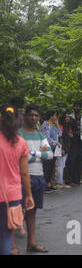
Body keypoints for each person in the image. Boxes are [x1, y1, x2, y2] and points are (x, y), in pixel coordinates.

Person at [18, 103, 53, 253]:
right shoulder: (19, 134)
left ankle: (31, 243)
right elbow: (20, 158)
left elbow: (50, 155)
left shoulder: (40, 135)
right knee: (16, 211)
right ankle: (11, 246)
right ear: (25, 116)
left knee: (32, 211)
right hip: (21, 177)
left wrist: (33, 153)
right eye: (31, 115)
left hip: (38, 176)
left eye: (36, 115)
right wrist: (39, 152)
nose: (33, 118)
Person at [0, 105, 34, 255]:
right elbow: (24, 173)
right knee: (6, 235)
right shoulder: (21, 142)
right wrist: (29, 195)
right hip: (13, 195)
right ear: (17, 120)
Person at [40, 109, 62, 192]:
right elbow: (46, 138)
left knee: (51, 166)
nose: (55, 117)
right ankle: (45, 184)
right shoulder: (45, 125)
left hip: (54, 149)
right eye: (55, 115)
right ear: (51, 116)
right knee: (46, 167)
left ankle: (49, 183)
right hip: (47, 149)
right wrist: (55, 143)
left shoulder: (52, 125)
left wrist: (57, 124)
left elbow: (60, 134)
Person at [65, 101, 82, 186]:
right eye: (75, 106)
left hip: (81, 142)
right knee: (71, 161)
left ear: (80, 108)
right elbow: (68, 129)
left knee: (79, 161)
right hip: (73, 142)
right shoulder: (70, 117)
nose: (76, 108)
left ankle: (77, 179)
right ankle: (69, 180)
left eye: (78, 106)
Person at [56, 111, 72, 189]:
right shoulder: (61, 127)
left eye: (68, 117)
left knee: (62, 165)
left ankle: (60, 181)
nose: (68, 118)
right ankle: (60, 182)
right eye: (66, 117)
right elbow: (59, 138)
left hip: (66, 147)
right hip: (62, 147)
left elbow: (70, 135)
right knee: (60, 165)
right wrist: (62, 148)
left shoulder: (67, 126)